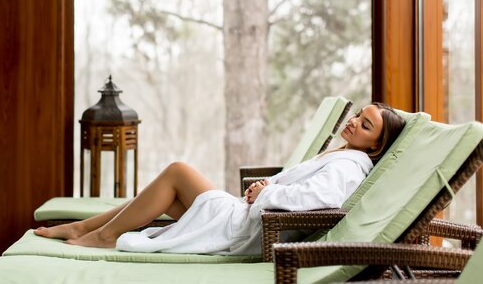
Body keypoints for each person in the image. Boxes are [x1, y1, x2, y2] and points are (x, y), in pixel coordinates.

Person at [34, 102, 406, 255]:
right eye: (359, 114)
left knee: (177, 172)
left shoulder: (349, 165)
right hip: (249, 217)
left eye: (366, 124)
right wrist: (268, 187)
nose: (354, 121)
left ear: (376, 144)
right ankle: (83, 228)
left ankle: (102, 236)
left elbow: (318, 199)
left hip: (253, 229)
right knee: (164, 192)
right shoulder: (344, 155)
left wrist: (268, 191)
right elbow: (299, 188)